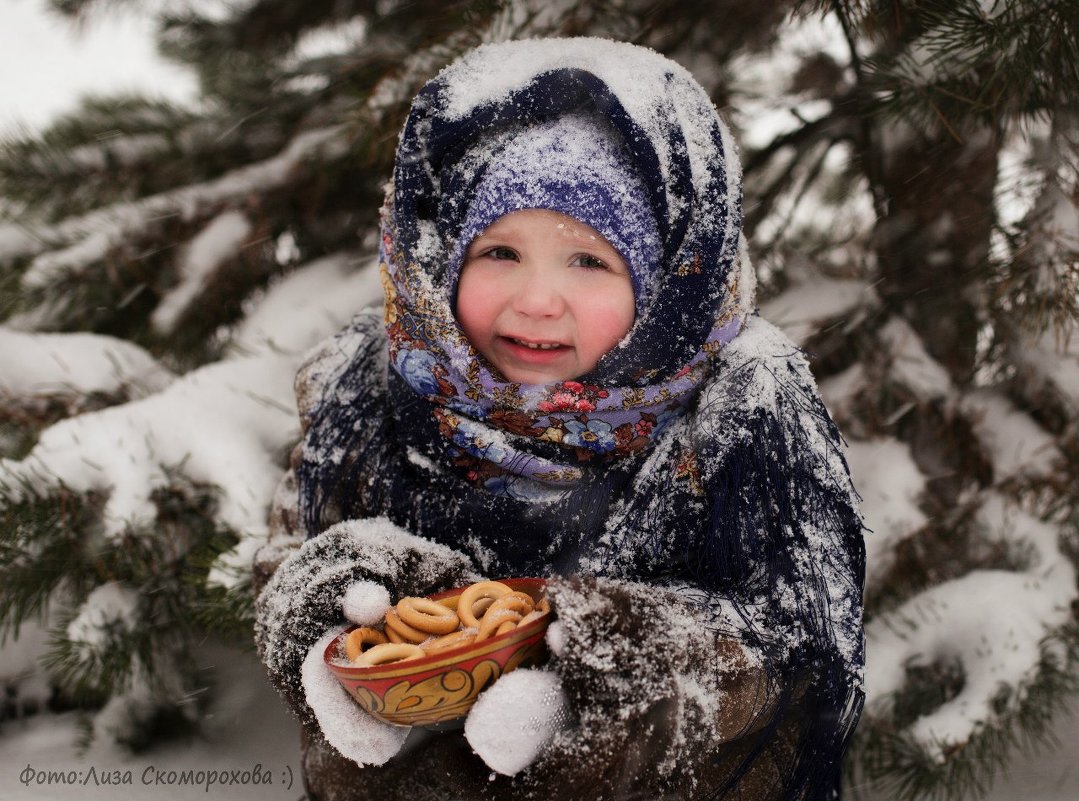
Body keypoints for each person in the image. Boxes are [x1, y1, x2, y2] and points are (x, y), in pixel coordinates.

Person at [254, 37, 865, 801]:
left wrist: (619, 669)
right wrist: (326, 608)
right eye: (499, 251)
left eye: (589, 261)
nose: (536, 300)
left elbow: (795, 644)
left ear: (670, 279)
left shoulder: (741, 406)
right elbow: (288, 547)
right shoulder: (371, 390)